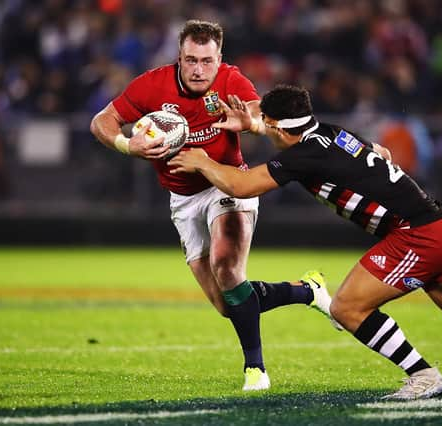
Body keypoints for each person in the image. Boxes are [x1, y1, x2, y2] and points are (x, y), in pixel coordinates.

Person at [167, 84, 442, 399]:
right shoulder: (329, 133)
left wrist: (203, 160)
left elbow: (242, 187)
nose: (262, 128)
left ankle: (423, 375)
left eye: (267, 123)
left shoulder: (305, 152)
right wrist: (258, 124)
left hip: (416, 234)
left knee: (345, 307)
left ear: (281, 127)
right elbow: (369, 153)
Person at [90, 21, 339, 392]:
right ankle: (308, 290)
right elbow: (101, 121)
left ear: (219, 58)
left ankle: (255, 369)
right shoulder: (151, 85)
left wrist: (251, 124)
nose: (198, 69)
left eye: (207, 61)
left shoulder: (231, 81)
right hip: (183, 199)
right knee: (229, 304)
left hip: (227, 182)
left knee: (226, 266)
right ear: (179, 57)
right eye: (191, 60)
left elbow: (258, 113)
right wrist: (129, 145)